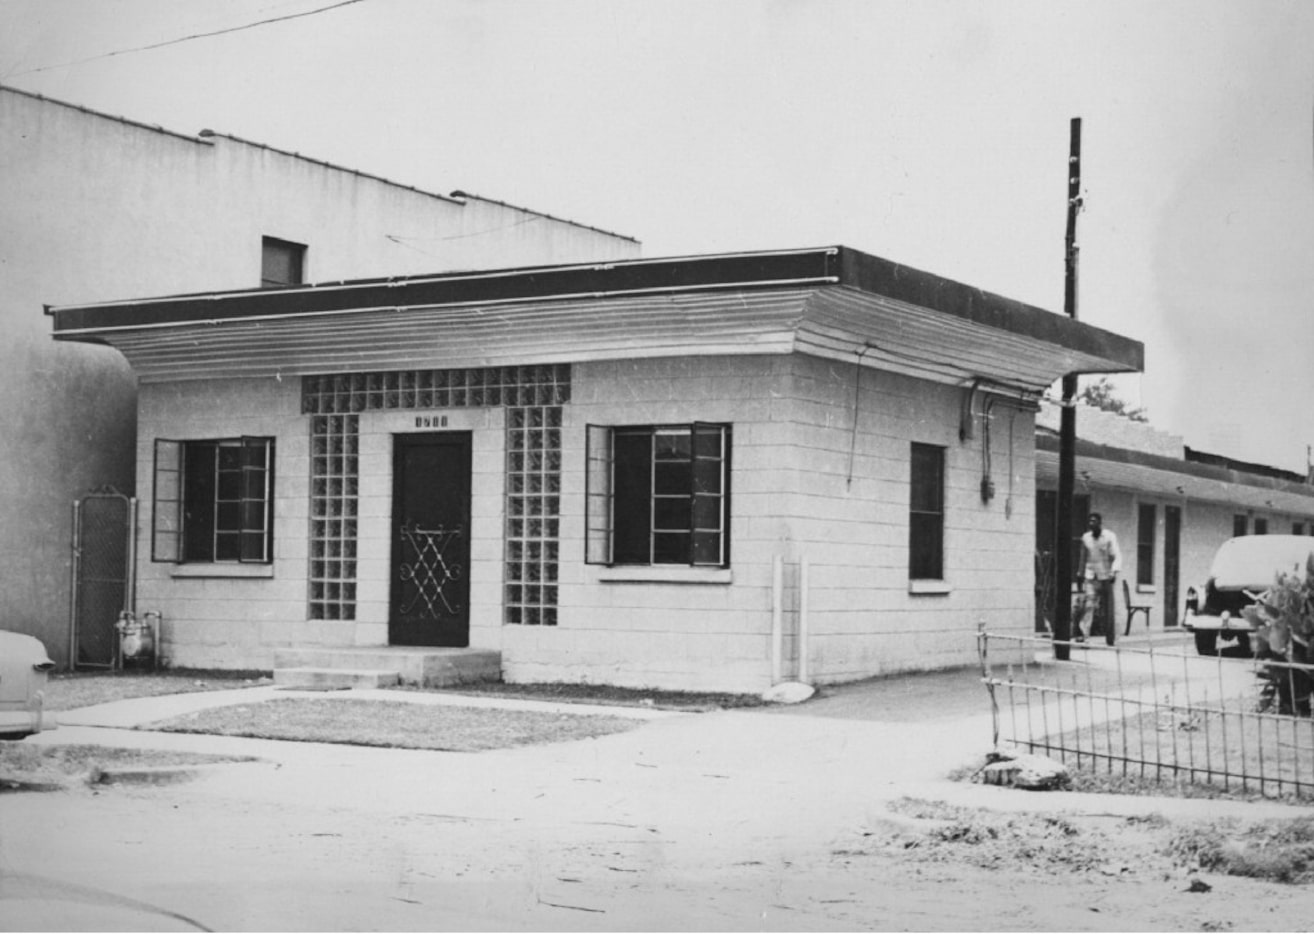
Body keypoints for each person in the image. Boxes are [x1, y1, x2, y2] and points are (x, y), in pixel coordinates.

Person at [1077, 512, 1121, 642]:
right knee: (1089, 605)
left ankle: (1111, 638)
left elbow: (1117, 555)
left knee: (1109, 608)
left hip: (1106, 576)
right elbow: (1083, 558)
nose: (1092, 523)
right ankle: (1085, 636)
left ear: (1099, 523)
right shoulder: (1086, 538)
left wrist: (1114, 571)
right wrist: (1080, 574)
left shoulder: (1109, 537)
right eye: (1090, 521)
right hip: (1091, 576)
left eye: (1094, 521)